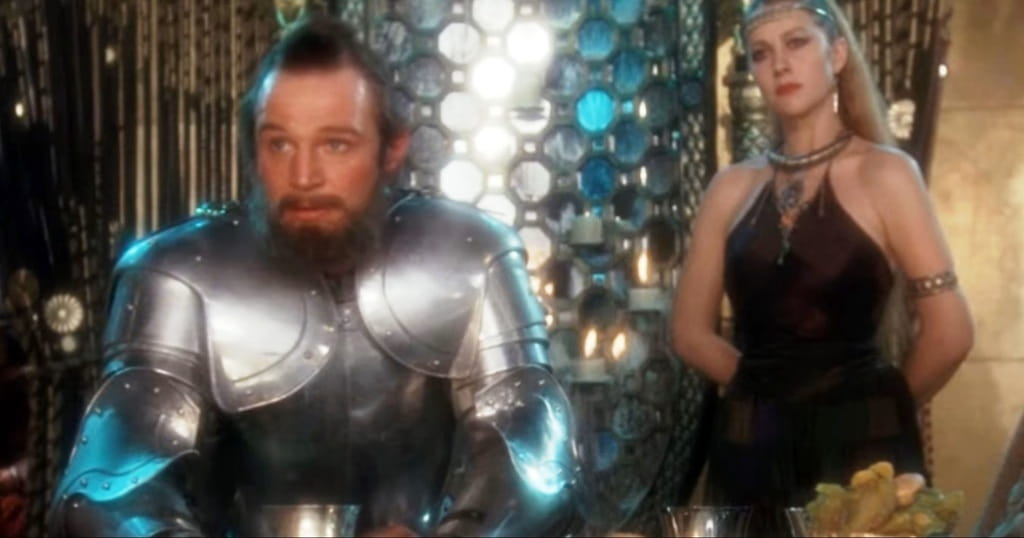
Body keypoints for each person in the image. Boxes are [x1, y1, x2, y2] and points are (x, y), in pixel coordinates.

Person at [47, 16, 576, 537]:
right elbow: (110, 487)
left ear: (391, 149)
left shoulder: (470, 254)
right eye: (279, 144)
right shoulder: (179, 273)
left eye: (335, 144)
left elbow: (533, 450)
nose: (303, 176)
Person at [670, 0, 972, 531]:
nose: (780, 64)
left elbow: (951, 334)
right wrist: (771, 398)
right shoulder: (730, 188)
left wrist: (870, 412)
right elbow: (689, 334)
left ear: (836, 55)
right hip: (754, 451)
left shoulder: (886, 174)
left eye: (797, 43)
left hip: (861, 458)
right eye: (761, 53)